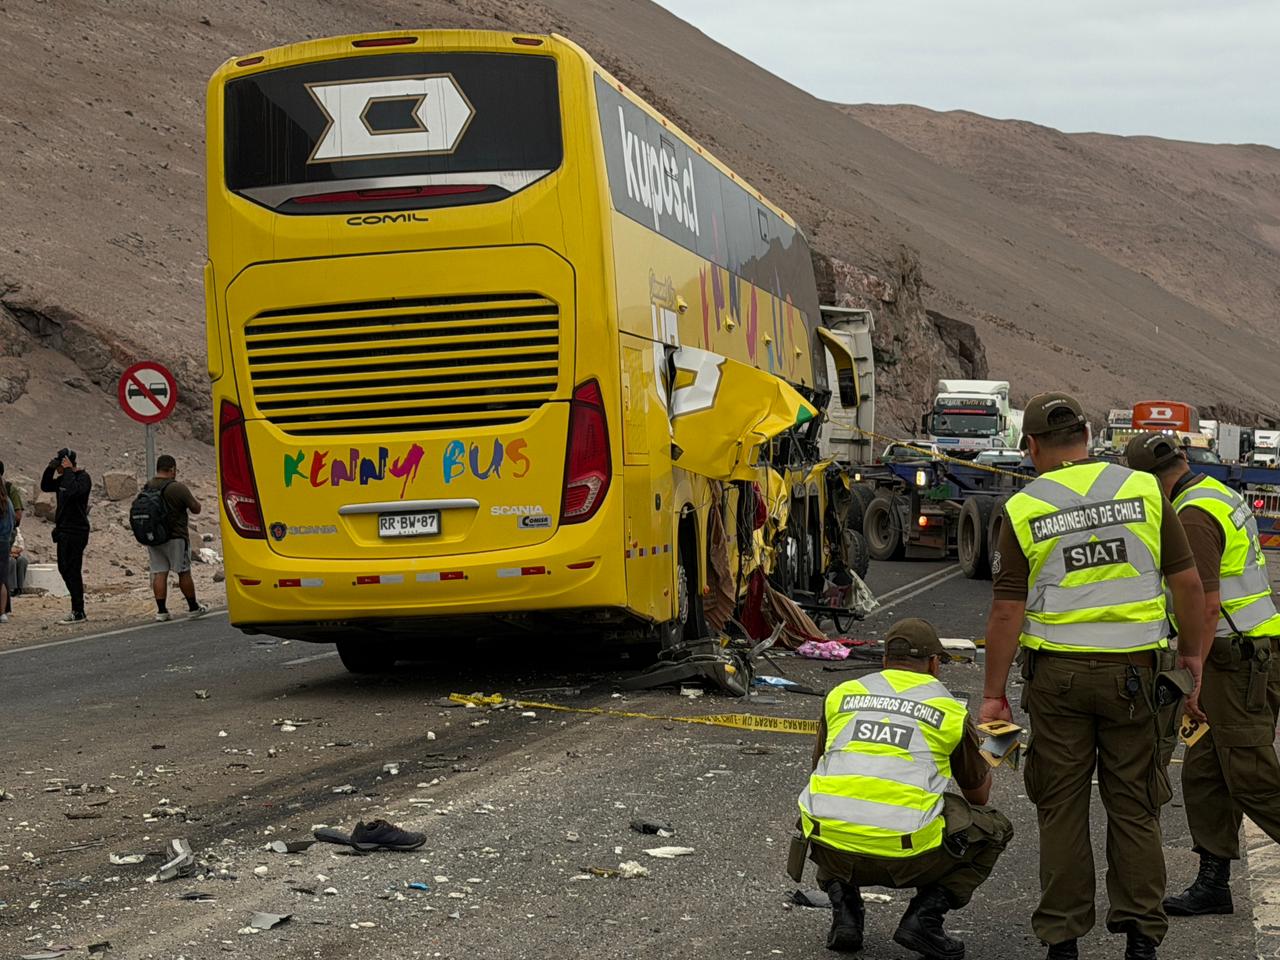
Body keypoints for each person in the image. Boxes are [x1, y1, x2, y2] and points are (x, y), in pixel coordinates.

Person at [982, 393, 1207, 960]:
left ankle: (1062, 940)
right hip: (1136, 678)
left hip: (1056, 680)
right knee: (1135, 807)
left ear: (1030, 445)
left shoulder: (1025, 506)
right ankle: (1140, 939)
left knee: (1060, 807)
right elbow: (1187, 585)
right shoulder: (1145, 489)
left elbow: (1007, 611)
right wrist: (1193, 658)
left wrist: (993, 696)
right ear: (1086, 434)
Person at [1126, 431, 1280, 917]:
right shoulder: (1215, 492)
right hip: (1240, 651)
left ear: (1147, 483)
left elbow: (1208, 605)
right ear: (1182, 459)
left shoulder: (1191, 516)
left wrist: (1194, 671)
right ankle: (1213, 881)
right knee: (1206, 772)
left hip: (1234, 659)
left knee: (1250, 773)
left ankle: (1214, 878)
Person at [798, 617, 1013, 957]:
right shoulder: (947, 710)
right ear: (934, 664)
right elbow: (978, 795)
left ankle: (846, 915)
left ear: (885, 660)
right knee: (994, 827)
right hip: (908, 856)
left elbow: (821, 769)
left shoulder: (842, 695)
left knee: (838, 803)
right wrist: (989, 753)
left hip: (833, 850)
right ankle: (924, 918)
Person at [143, 454, 208, 621]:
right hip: (176, 536)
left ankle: (162, 611)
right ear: (172, 469)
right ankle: (193, 607)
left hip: (154, 537)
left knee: (159, 572)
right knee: (183, 571)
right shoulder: (176, 487)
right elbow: (196, 508)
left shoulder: (148, 486)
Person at [40, 448, 92, 624]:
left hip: (77, 531)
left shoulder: (83, 478)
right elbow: (45, 486)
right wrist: (50, 468)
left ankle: (78, 610)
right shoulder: (63, 479)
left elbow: (72, 492)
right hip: (63, 531)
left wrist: (69, 470)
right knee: (64, 568)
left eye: (60, 464)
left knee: (73, 569)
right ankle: (77, 608)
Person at [0, 479, 13, 624]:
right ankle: (2, 612)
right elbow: (11, 524)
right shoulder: (7, 502)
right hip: (3, 542)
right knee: (2, 579)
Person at [7, 528, 28, 602]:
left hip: (15, 553)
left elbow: (21, 546)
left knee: (22, 560)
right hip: (4, 554)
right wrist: (10, 551)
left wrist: (13, 551)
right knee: (11, 561)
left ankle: (19, 588)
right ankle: (12, 588)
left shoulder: (16, 529)